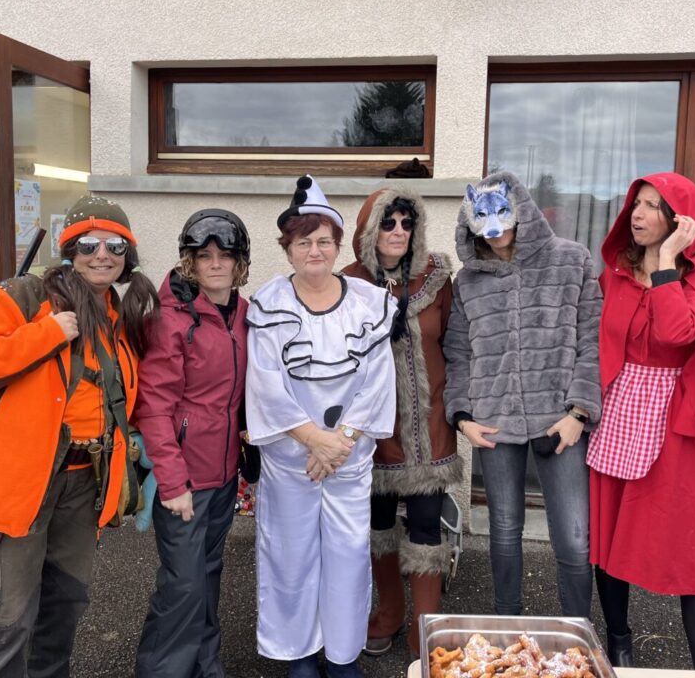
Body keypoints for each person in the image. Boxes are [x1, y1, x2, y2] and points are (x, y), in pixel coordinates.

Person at [0, 195, 159, 678]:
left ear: (128, 255)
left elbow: (120, 397)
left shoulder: (120, 317)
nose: (102, 255)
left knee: (61, 614)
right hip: (16, 486)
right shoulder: (24, 297)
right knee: (6, 625)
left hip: (82, 488)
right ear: (69, 250)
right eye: (88, 244)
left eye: (115, 246)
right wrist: (46, 334)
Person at [588, 172, 695, 670]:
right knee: (608, 539)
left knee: (692, 549)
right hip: (619, 413)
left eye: (652, 207)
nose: (636, 215)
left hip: (678, 422)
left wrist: (665, 264)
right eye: (636, 204)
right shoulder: (615, 274)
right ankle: (619, 642)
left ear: (681, 221)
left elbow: (679, 331)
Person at [245, 175, 397, 678]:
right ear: (287, 249)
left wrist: (341, 442)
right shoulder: (269, 304)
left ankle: (342, 653)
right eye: (303, 242)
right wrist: (313, 440)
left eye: (324, 241)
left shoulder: (367, 302)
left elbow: (377, 381)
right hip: (291, 461)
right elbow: (266, 384)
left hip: (347, 460)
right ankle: (299, 654)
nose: (315, 251)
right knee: (291, 557)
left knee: (347, 558)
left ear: (337, 245)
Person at [443, 171, 602, 620]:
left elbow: (592, 339)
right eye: (482, 218)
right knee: (504, 527)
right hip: (494, 419)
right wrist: (463, 417)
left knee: (574, 535)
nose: (494, 229)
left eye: (502, 213)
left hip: (560, 419)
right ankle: (506, 625)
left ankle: (578, 630)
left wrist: (579, 412)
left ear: (522, 210)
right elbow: (458, 351)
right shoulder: (468, 281)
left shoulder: (570, 261)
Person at [340, 186, 461, 658]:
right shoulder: (349, 284)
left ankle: (424, 630)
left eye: (407, 223)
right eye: (388, 222)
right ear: (369, 229)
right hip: (373, 430)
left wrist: (462, 410)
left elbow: (454, 344)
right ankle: (388, 613)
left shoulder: (437, 279)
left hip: (430, 429)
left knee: (427, 526)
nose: (398, 231)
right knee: (379, 524)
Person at [134, 209, 251, 678]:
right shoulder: (171, 320)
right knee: (182, 584)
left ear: (240, 262)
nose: (216, 264)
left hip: (223, 473)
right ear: (190, 262)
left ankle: (205, 666)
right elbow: (153, 408)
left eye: (225, 255)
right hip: (184, 478)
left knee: (207, 573)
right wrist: (172, 481)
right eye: (205, 256)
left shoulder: (244, 313)